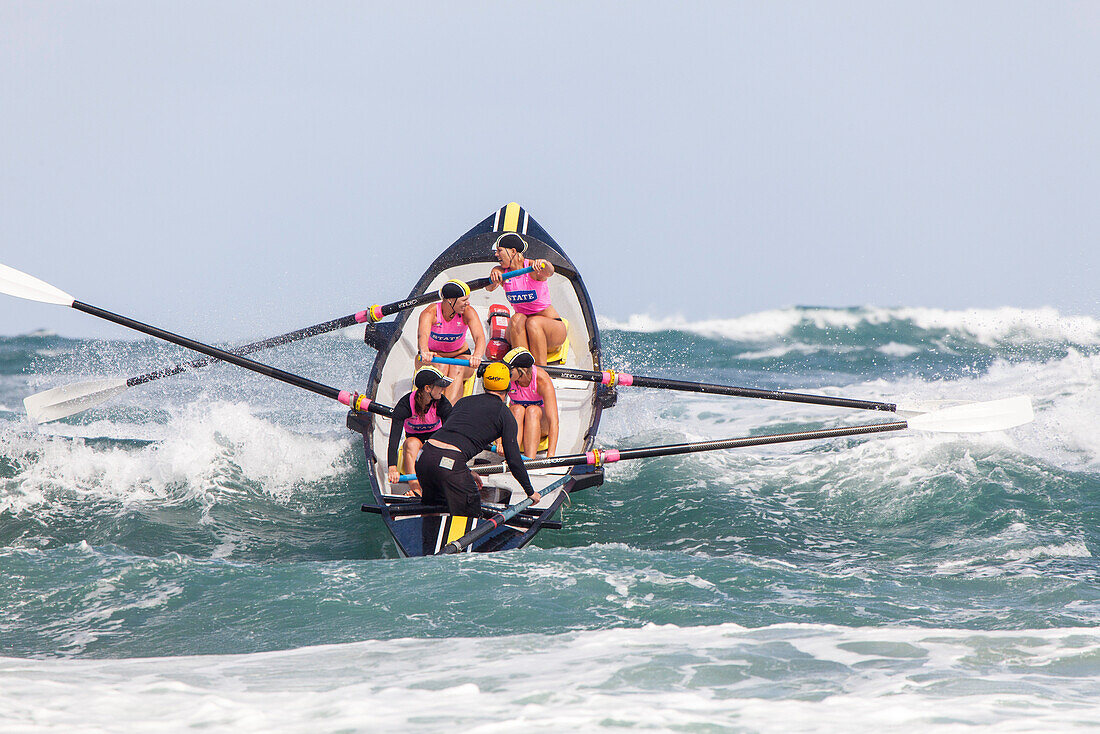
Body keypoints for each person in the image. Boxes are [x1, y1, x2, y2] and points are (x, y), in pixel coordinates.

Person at [415, 362, 541, 518]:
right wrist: (530, 491)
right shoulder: (505, 414)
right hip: (451, 464)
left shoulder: (464, 402)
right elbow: (514, 460)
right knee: (470, 517)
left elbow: (450, 438)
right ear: (508, 386)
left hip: (424, 457)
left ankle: (427, 539)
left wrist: (465, 471)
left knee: (431, 512)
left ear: (484, 383)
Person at [485, 232, 567, 366]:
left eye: (499, 251)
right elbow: (489, 287)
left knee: (533, 322)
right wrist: (493, 278)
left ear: (512, 251)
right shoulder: (501, 272)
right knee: (517, 318)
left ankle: (540, 372)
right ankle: (522, 369)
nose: (496, 254)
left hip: (551, 332)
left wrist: (544, 263)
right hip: (524, 332)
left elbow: (549, 271)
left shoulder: (534, 267)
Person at [387, 366, 454, 498]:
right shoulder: (405, 406)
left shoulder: (442, 404)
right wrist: (392, 467)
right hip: (414, 445)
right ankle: (417, 491)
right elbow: (394, 439)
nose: (443, 389)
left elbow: (451, 435)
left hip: (435, 443)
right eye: (440, 386)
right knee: (411, 443)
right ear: (427, 388)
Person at [416, 278, 486, 404]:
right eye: (464, 300)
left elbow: (479, 337)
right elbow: (423, 336)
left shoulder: (468, 312)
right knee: (440, 367)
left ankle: (449, 411)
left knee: (456, 365)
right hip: (433, 357)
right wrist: (425, 351)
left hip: (460, 356)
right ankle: (434, 408)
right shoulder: (430, 313)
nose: (467, 303)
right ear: (450, 300)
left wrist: (477, 356)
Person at [503, 347, 559, 459]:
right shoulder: (506, 379)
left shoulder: (542, 380)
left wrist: (551, 455)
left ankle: (530, 460)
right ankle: (512, 458)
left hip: (540, 424)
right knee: (517, 409)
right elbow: (496, 410)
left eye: (508, 370)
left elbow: (554, 421)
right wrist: (499, 441)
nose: (505, 373)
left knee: (533, 410)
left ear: (522, 370)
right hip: (517, 421)